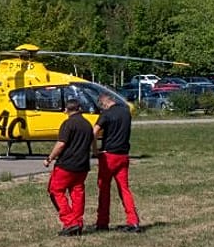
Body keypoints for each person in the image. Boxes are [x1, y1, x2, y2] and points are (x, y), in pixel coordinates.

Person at [93, 91, 142, 233]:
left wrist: (95, 150)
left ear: (103, 104)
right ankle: (133, 221)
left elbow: (94, 131)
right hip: (123, 155)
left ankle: (102, 222)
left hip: (109, 155)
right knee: (124, 189)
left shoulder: (106, 114)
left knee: (104, 189)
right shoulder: (126, 112)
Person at [43, 98, 93, 237]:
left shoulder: (68, 123)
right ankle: (78, 222)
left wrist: (50, 158)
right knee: (77, 193)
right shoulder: (87, 124)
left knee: (55, 191)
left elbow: (61, 144)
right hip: (82, 165)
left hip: (66, 165)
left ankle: (70, 222)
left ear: (66, 110)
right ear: (79, 109)